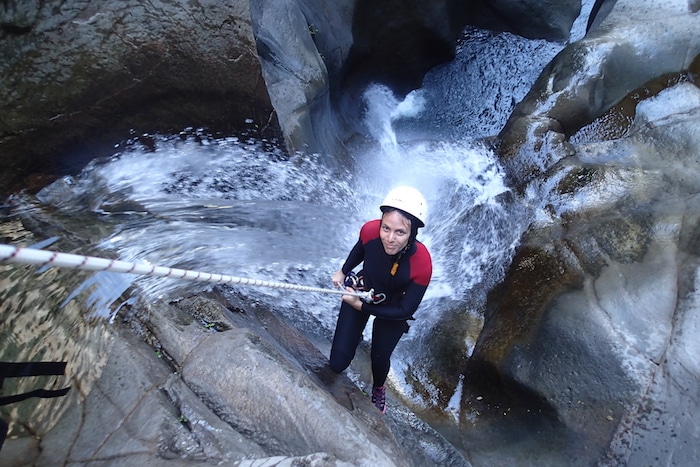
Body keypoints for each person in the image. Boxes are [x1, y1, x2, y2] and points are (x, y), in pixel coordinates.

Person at [329, 186, 432, 414]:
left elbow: (406, 309)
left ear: (412, 233)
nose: (390, 238)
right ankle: (353, 336)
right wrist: (343, 271)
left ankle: (378, 388)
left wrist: (362, 306)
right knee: (337, 363)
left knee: (379, 357)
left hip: (393, 307)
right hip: (364, 290)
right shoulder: (370, 231)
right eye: (386, 228)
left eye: (400, 232)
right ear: (380, 223)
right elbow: (361, 249)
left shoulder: (421, 263)